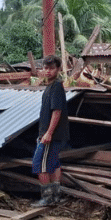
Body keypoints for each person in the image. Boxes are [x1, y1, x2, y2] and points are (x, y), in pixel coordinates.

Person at [31, 55, 69, 207]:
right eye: (45, 68)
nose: (48, 71)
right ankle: (56, 196)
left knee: (39, 164)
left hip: (51, 135)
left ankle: (47, 198)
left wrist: (48, 133)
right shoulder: (50, 86)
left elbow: (57, 111)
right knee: (53, 164)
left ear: (58, 69)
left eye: (51, 68)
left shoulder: (56, 87)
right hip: (49, 134)